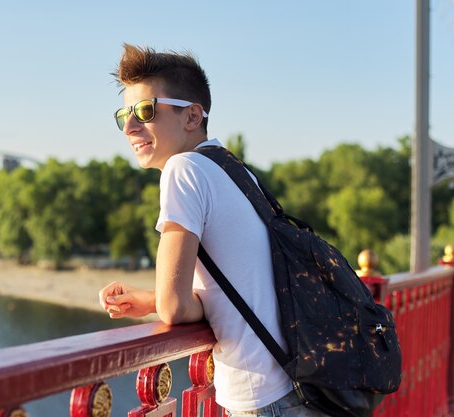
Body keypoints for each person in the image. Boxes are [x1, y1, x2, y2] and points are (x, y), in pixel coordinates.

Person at [98, 44, 328, 417]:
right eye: (124, 113)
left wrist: (163, 300)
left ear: (192, 116)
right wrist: (152, 298)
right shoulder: (231, 167)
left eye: (145, 110)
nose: (129, 126)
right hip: (295, 384)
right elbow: (245, 283)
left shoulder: (182, 170)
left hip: (263, 398)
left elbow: (174, 308)